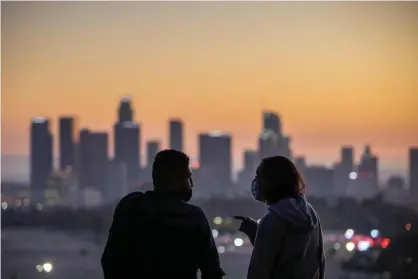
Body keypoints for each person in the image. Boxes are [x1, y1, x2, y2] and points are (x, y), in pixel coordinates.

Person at [101, 149, 225, 279]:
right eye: (188, 178)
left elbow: (110, 261)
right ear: (176, 180)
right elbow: (212, 272)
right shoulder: (193, 217)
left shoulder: (130, 207)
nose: (191, 184)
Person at [234, 156, 325, 279]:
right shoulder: (311, 214)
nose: (255, 182)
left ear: (272, 182)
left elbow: (259, 272)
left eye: (258, 176)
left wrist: (262, 234)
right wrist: (258, 235)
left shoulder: (271, 221)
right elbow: (317, 260)